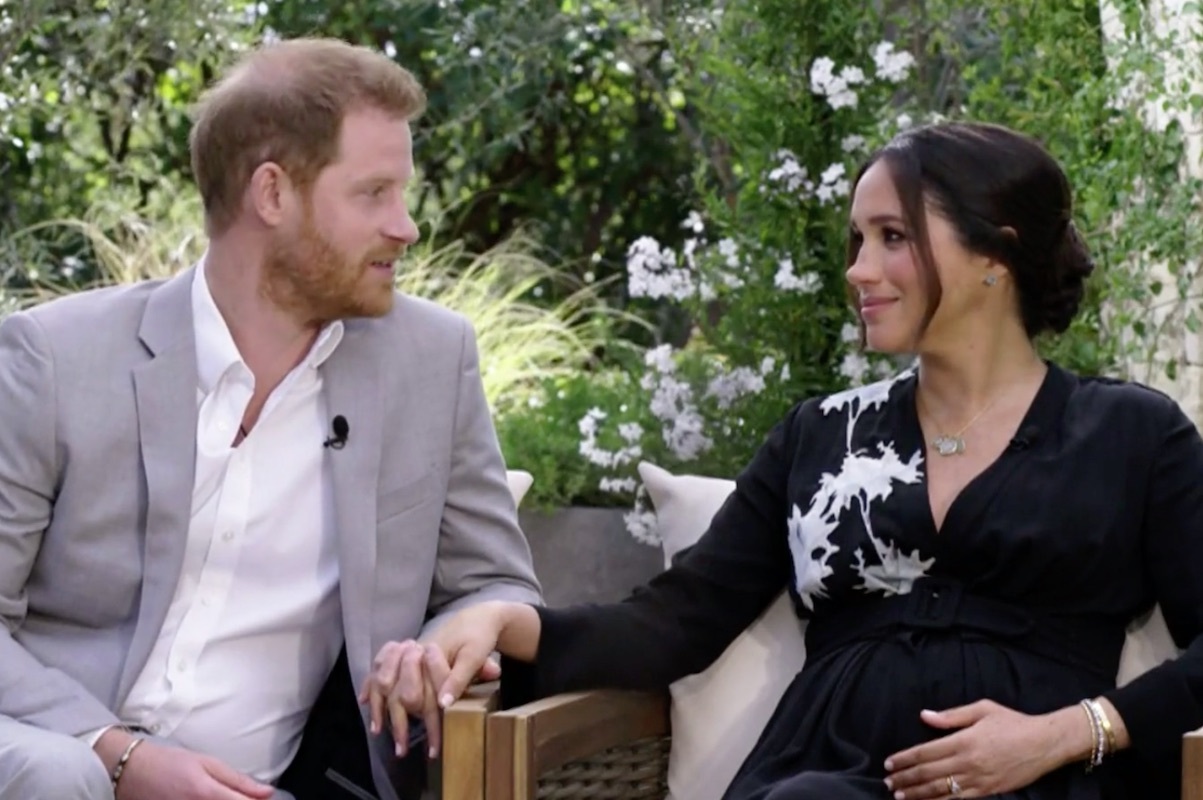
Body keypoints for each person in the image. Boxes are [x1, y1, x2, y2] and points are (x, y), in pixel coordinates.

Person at [366, 121, 1203, 799]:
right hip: (823, 778)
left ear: (995, 256)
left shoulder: (1131, 435)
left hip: (1047, 781)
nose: (858, 271)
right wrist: (499, 621)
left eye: (891, 238)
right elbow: (675, 621)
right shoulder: (819, 436)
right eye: (855, 240)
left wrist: (1067, 733)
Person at [0, 36, 542, 800]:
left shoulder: (430, 360)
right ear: (272, 194)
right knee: (59, 777)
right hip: (50, 750)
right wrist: (119, 757)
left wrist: (443, 641)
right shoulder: (56, 359)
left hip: (270, 787)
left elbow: (496, 583)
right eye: (373, 193)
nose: (406, 226)